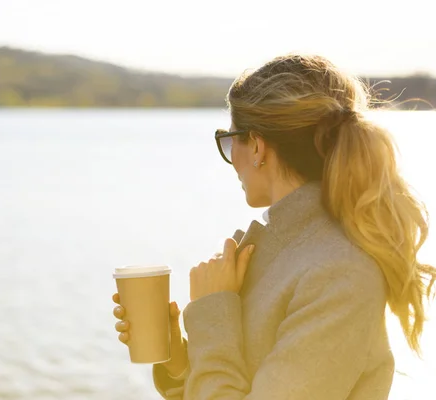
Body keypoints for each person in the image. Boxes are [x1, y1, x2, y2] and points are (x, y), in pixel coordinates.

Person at [111, 54, 436, 399]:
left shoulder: (340, 274)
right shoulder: (274, 253)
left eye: (229, 138)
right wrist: (178, 355)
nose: (229, 155)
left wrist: (212, 309)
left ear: (256, 146)